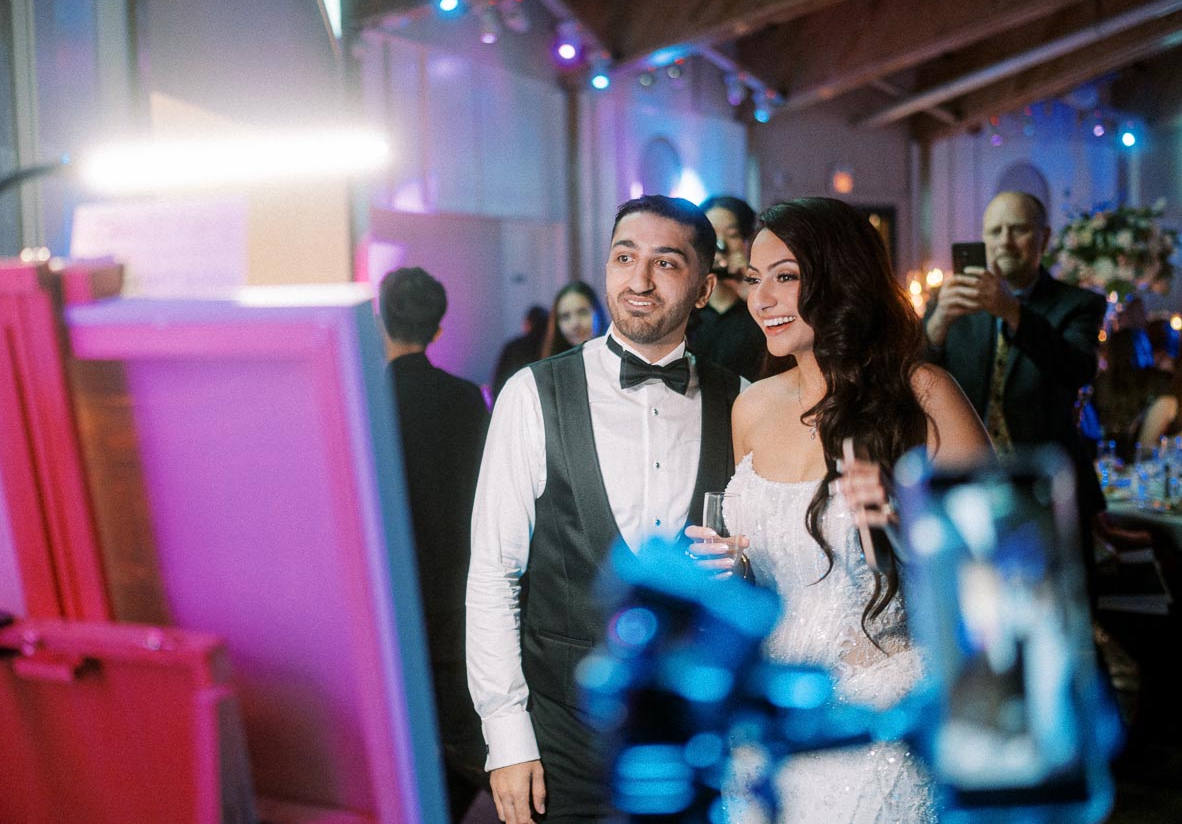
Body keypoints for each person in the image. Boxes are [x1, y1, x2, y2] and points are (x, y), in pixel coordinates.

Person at [687, 197, 990, 822]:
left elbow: (996, 563)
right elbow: (764, 568)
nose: (762, 298)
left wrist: (899, 526)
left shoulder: (922, 395)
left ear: (840, 278)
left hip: (878, 718)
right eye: (754, 278)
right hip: (770, 722)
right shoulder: (753, 407)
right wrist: (730, 570)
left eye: (786, 276)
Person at [468, 195, 738, 823]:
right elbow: (492, 574)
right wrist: (506, 734)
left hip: (698, 739)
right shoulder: (532, 394)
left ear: (703, 288)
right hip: (563, 734)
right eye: (625, 257)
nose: (638, 281)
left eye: (666, 264)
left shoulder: (742, 401)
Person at [922, 190, 1107, 589]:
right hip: (967, 488)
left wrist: (1012, 310)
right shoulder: (951, 304)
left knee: (1066, 612)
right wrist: (937, 326)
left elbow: (1077, 368)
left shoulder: (1078, 304)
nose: (1004, 241)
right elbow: (908, 379)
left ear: (1044, 237)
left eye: (1018, 229)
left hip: (1049, 488)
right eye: (995, 231)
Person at [378, 267, 492, 822]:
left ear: (381, 319)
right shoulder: (467, 398)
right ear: (439, 329)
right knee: (461, 742)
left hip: (393, 596)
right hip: (458, 592)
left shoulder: (369, 400)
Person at [688, 195, 768, 382]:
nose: (720, 245)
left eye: (732, 235)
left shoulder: (764, 308)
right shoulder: (686, 312)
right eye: (711, 234)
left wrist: (750, 286)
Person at [492, 306, 550, 400]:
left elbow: (498, 384)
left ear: (527, 324)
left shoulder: (513, 348)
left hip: (514, 402)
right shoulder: (551, 347)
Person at [540, 281, 606, 358]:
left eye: (582, 312)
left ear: (598, 313)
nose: (575, 324)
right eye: (565, 317)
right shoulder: (550, 367)